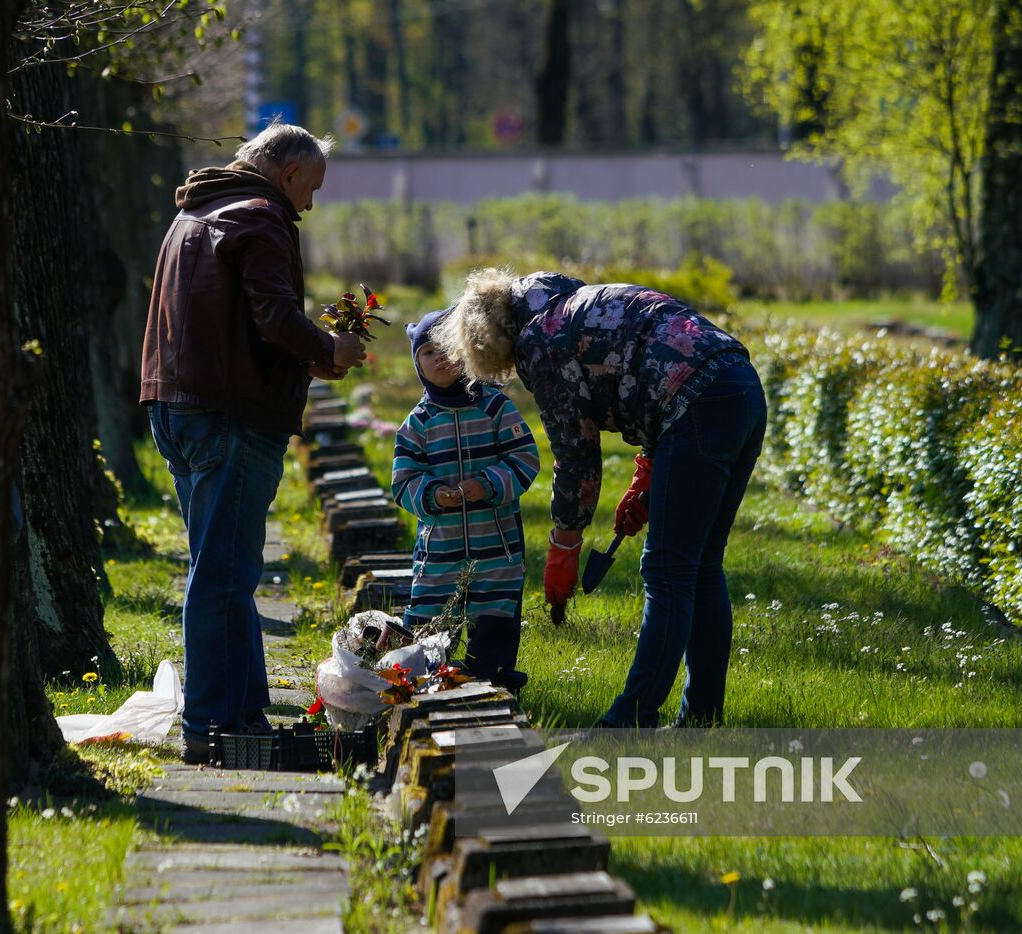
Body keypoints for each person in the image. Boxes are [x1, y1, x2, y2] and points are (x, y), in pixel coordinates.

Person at [432, 268, 765, 728]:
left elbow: (576, 453)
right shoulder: (579, 307)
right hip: (740, 386)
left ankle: (630, 719)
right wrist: (649, 471)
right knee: (701, 563)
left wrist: (564, 546)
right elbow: (649, 360)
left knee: (667, 569)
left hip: (697, 406)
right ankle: (701, 718)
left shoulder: (542, 340)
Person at [140, 123, 367, 763]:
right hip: (230, 415)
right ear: (289, 173)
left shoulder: (194, 211)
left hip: (175, 406)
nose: (310, 205)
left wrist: (302, 353)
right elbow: (272, 314)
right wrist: (329, 348)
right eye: (311, 189)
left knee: (227, 568)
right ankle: (211, 728)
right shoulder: (262, 217)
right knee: (223, 573)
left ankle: (242, 712)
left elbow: (238, 321)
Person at [391, 308, 540, 694]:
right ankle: (425, 688)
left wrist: (490, 483)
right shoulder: (417, 423)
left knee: (494, 621)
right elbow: (404, 480)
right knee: (430, 622)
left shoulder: (493, 407)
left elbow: (524, 458)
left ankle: (491, 687)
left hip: (497, 547)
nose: (438, 358)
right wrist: (431, 494)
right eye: (427, 352)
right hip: (440, 550)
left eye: (446, 348)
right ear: (417, 364)